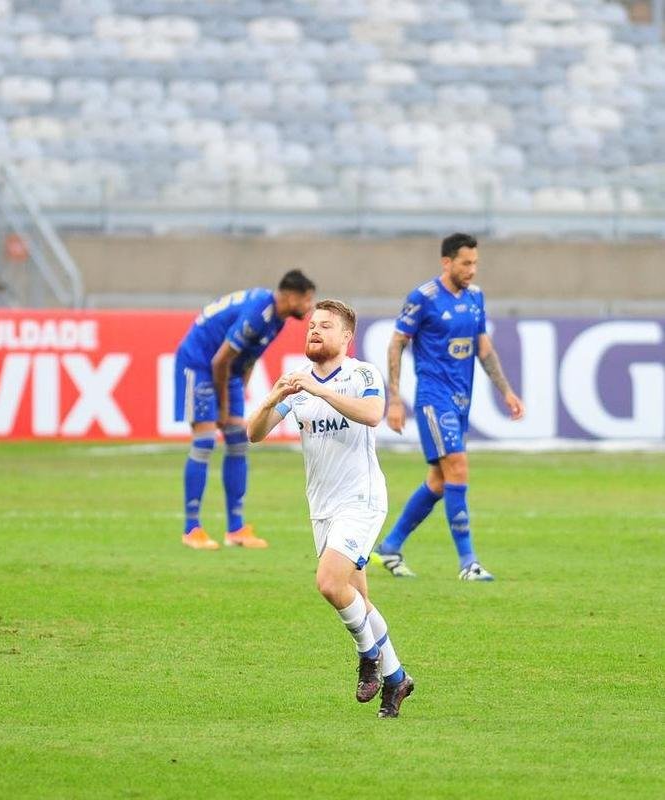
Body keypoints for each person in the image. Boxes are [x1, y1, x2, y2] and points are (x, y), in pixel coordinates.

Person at [248, 300, 414, 718]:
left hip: (362, 499)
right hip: (322, 507)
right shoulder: (298, 386)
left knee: (328, 583)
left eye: (325, 326)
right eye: (311, 327)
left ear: (346, 337)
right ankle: (396, 680)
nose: (315, 332)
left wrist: (320, 389)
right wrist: (272, 399)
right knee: (355, 596)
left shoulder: (361, 375)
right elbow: (254, 434)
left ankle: (368, 658)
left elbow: (374, 415)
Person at [372, 233, 524, 581]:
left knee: (439, 480)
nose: (472, 270)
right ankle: (468, 562)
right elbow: (397, 344)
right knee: (458, 467)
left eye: (475, 263)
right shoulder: (423, 298)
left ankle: (390, 547)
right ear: (447, 262)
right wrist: (395, 398)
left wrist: (506, 391)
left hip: (461, 400)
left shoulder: (475, 298)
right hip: (433, 397)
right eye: (465, 263)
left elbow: (483, 348)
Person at [173, 270, 316, 550]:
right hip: (199, 363)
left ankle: (235, 529)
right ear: (290, 297)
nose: (310, 307)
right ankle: (192, 529)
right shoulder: (258, 314)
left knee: (239, 440)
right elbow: (220, 360)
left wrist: (240, 395)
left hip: (228, 371)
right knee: (204, 441)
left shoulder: (278, 319)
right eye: (307, 300)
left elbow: (248, 359)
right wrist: (224, 408)